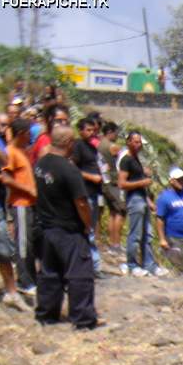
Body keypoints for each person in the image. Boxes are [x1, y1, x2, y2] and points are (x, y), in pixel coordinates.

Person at [34, 126, 99, 328]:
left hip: (47, 228)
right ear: (69, 143)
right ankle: (83, 318)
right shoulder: (68, 169)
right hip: (68, 229)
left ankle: (47, 314)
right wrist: (88, 225)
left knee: (50, 274)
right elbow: (81, 202)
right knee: (80, 274)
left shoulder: (41, 164)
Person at [118, 131, 167, 277]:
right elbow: (122, 183)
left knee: (148, 233)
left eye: (139, 142)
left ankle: (149, 264)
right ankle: (132, 264)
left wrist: (149, 201)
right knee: (135, 234)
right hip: (134, 200)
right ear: (128, 142)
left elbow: (139, 184)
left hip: (141, 199)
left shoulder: (135, 159)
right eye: (135, 142)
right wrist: (142, 182)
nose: (138, 145)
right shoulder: (126, 160)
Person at [1, 118, 37, 295]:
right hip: (20, 203)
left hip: (29, 204)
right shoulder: (11, 152)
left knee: (30, 243)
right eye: (29, 133)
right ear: (22, 133)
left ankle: (30, 278)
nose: (31, 136)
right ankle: (24, 281)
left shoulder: (22, 151)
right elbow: (6, 178)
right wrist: (28, 189)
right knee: (23, 244)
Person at [0, 114, 27, 312]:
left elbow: (6, 159)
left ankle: (12, 292)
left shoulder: (3, 143)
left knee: (4, 251)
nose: (4, 128)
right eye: (2, 125)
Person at [71, 118, 103, 277]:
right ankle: (93, 266)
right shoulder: (78, 146)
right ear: (81, 131)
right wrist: (91, 177)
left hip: (94, 192)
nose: (92, 133)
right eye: (88, 130)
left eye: (93, 130)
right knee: (87, 228)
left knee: (92, 228)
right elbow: (73, 168)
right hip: (85, 192)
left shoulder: (92, 147)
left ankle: (93, 265)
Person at [97, 121, 125, 254]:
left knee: (112, 213)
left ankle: (112, 243)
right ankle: (116, 243)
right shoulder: (113, 147)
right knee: (119, 212)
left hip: (104, 182)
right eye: (116, 133)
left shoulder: (99, 144)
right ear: (110, 132)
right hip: (113, 182)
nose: (117, 136)